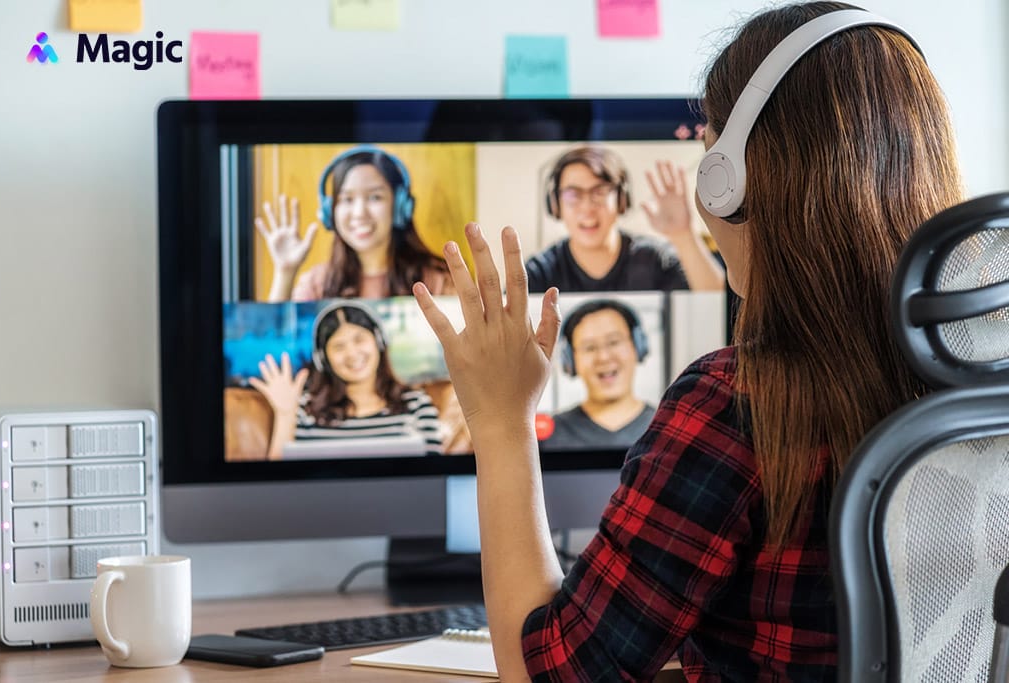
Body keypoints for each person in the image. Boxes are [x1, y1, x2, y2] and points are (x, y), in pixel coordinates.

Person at [411, 3, 964, 680]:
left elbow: (550, 673)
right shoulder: (976, 376)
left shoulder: (738, 407)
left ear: (730, 181)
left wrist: (499, 422)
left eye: (709, 148)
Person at [255, 145, 453, 302]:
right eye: (347, 199)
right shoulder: (317, 284)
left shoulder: (438, 281)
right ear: (329, 212)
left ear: (400, 206)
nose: (359, 213)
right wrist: (285, 272)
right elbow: (275, 346)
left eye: (375, 197)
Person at [250, 302, 442, 459]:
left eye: (359, 340)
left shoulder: (416, 404)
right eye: (339, 346)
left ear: (379, 341)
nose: (352, 353)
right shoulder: (304, 409)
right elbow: (279, 480)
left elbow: (435, 475)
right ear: (323, 359)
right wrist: (285, 414)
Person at [525, 145, 725, 294]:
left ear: (621, 199)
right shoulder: (540, 272)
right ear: (555, 203)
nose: (587, 208)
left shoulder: (654, 259)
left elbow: (716, 299)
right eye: (573, 194)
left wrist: (683, 235)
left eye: (599, 192)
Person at [540, 299, 655, 452]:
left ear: (638, 347)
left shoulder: (671, 426)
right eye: (589, 348)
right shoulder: (548, 435)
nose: (603, 357)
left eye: (614, 342)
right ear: (571, 360)